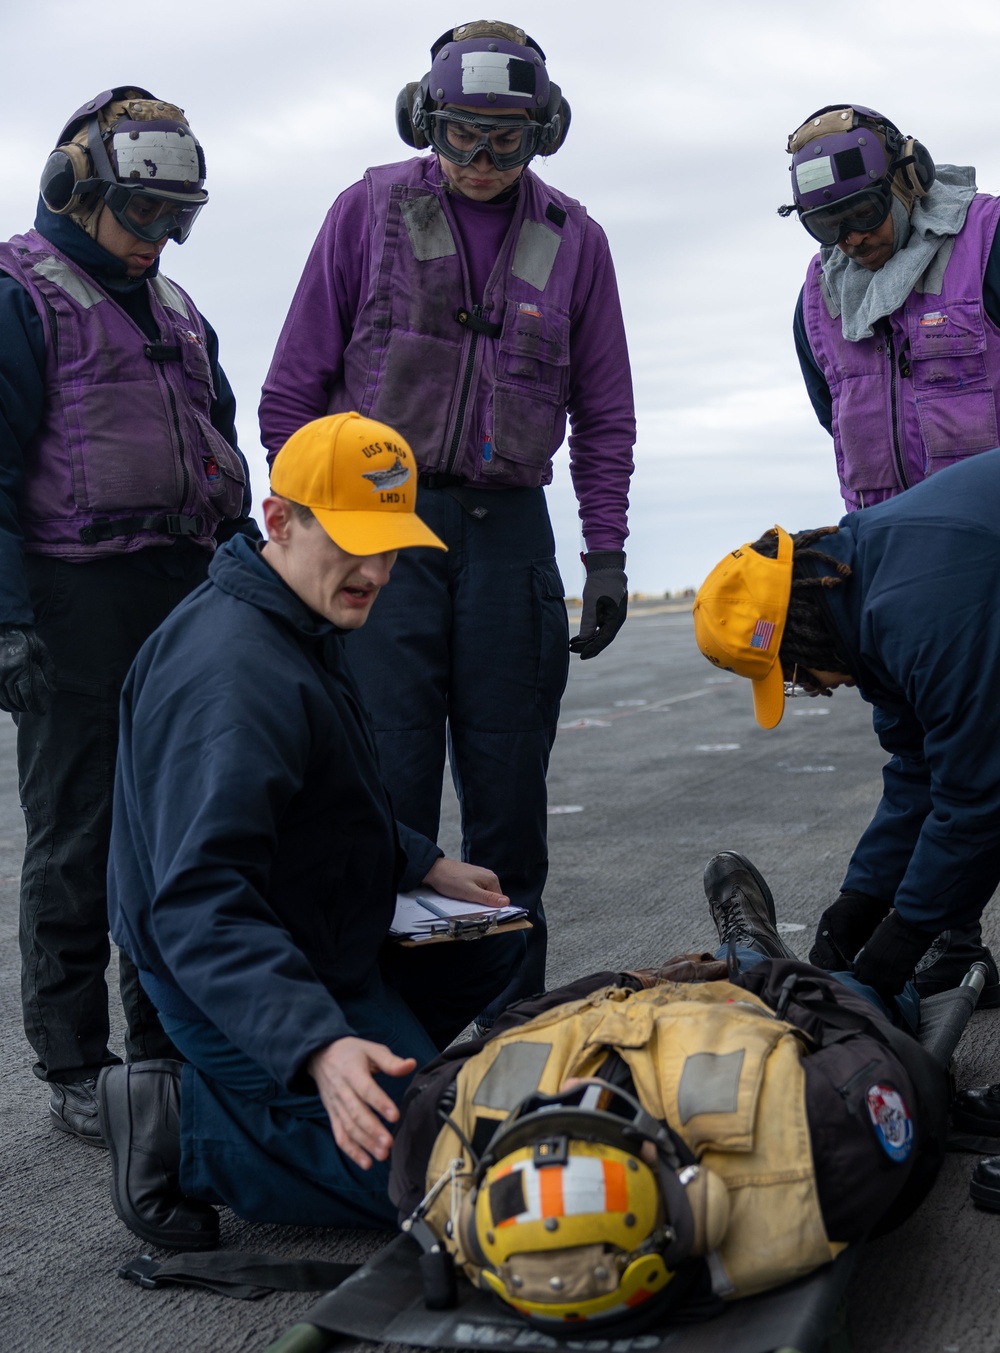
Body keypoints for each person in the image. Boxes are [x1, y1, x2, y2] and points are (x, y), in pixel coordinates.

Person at [258, 19, 636, 1020]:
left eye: (502, 142)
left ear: (541, 135)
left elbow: (605, 414)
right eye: (458, 135)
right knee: (380, 796)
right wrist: (308, 536)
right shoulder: (368, 211)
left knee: (509, 801)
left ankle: (514, 1026)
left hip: (510, 536)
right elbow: (291, 392)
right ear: (425, 120)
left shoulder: (575, 242)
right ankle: (382, 1023)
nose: (476, 161)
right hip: (381, 529)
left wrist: (604, 553)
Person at [97, 412, 528, 1251]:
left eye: (391, 543)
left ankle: (356, 1072)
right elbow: (199, 905)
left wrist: (423, 859)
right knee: (446, 1184)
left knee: (495, 942)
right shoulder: (234, 676)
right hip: (219, 971)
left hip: (311, 933)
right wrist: (317, 1042)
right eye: (353, 540)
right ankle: (180, 1125)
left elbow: (323, 805)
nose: (376, 570)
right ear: (279, 519)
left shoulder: (294, 615)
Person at [0, 87, 259, 1146]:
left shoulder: (183, 312)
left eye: (175, 219)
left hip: (182, 588)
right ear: (75, 190)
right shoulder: (21, 293)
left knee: (176, 828)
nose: (157, 239)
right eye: (140, 215)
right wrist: (7, 620)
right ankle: (73, 1066)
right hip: (71, 602)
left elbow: (224, 445)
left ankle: (162, 1048)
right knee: (77, 835)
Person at [386, 851, 945, 1332]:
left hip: (620, 1006)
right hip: (753, 1010)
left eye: (543, 1126)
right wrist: (748, 980)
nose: (569, 1095)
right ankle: (753, 948)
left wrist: (628, 983)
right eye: (588, 1128)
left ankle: (746, 946)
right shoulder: (814, 1150)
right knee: (861, 987)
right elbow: (879, 1050)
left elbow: (503, 1029)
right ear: (691, 1201)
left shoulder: (439, 1165)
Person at [691, 452, 1000, 1008]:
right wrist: (863, 897)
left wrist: (908, 931)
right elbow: (918, 771)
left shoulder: (924, 618)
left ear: (802, 633)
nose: (811, 688)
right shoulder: (866, 589)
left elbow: (979, 797)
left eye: (790, 674)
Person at [780, 104, 1000, 511]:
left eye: (865, 213)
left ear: (910, 179)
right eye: (828, 226)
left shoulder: (990, 241)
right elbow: (831, 417)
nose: (852, 239)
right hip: (889, 552)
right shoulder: (816, 302)